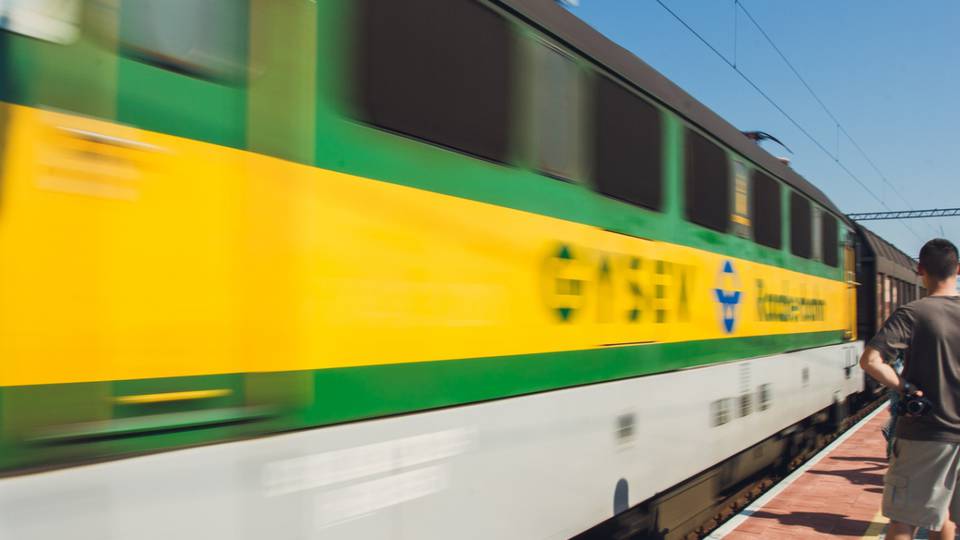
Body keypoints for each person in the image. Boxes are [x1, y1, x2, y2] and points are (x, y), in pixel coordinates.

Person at [860, 238, 960, 540]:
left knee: (903, 522)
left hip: (927, 433)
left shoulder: (913, 313)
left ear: (920, 269)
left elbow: (871, 360)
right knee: (946, 516)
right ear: (958, 269)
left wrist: (904, 387)